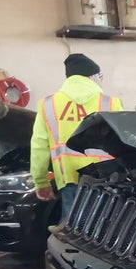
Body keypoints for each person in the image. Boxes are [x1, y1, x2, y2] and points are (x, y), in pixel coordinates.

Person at [30, 53, 123, 218]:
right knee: (109, 231)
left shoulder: (48, 105)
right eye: (100, 76)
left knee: (73, 231)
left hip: (69, 178)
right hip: (108, 180)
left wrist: (41, 182)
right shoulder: (111, 102)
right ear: (92, 76)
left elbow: (39, 147)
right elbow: (124, 143)